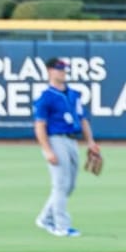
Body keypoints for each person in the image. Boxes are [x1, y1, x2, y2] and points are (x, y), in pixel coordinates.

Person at [33, 57, 94, 237]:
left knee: (70, 186)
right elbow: (39, 126)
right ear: (49, 71)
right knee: (60, 184)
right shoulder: (45, 97)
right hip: (55, 139)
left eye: (64, 69)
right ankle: (61, 226)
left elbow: (83, 120)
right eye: (59, 69)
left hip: (72, 140)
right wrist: (47, 150)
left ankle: (45, 218)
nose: (63, 72)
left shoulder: (74, 94)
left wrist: (90, 141)